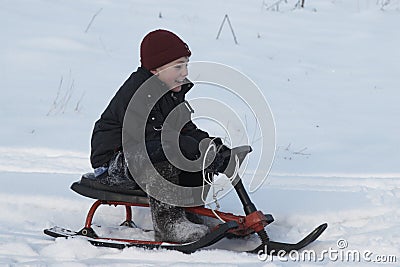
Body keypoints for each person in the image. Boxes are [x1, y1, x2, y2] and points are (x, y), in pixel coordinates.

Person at [89, 29, 229, 243]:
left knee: (196, 154)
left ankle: (192, 213)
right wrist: (188, 146)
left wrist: (211, 148)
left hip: (143, 153)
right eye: (178, 66)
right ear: (155, 70)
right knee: (164, 154)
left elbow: (186, 130)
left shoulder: (172, 92)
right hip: (114, 163)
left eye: (186, 65)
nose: (184, 72)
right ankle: (169, 223)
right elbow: (148, 140)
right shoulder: (138, 93)